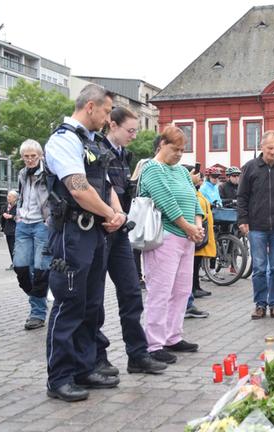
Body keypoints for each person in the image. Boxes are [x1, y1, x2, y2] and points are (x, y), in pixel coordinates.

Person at [44, 84, 124, 402]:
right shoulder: (64, 140)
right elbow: (78, 188)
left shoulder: (91, 142)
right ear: (90, 106)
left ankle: (84, 367)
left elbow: (105, 185)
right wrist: (110, 214)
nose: (108, 119)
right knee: (69, 304)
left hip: (95, 231)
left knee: (91, 305)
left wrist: (117, 213)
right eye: (106, 111)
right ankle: (59, 377)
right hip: (72, 233)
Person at [94, 107, 167, 376]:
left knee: (132, 292)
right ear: (112, 125)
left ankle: (137, 354)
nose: (134, 135)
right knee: (94, 299)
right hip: (101, 230)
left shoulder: (125, 155)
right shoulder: (97, 150)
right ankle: (97, 357)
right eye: (131, 130)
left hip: (121, 230)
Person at [138, 126, 204, 364]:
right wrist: (189, 227)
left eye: (182, 150)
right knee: (160, 291)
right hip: (164, 237)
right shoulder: (152, 168)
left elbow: (194, 199)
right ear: (162, 144)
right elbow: (166, 202)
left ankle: (172, 336)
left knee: (182, 290)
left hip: (187, 238)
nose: (179, 154)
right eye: (175, 149)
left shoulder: (182, 171)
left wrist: (197, 225)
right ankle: (154, 343)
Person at [237, 131, 274, 320]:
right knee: (259, 268)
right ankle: (260, 304)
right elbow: (242, 196)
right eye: (270, 148)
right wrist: (243, 220)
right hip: (256, 226)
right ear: (262, 146)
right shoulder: (250, 167)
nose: (273, 151)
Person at [12, 139, 52, 331]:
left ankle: (37, 313)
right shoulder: (22, 173)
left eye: (33, 156)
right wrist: (18, 215)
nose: (29, 160)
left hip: (42, 225)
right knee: (21, 268)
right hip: (23, 224)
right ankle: (38, 296)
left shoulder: (48, 173)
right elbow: (22, 195)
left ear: (40, 156)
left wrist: (49, 219)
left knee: (40, 270)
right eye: (26, 156)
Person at [187, 166, 212, 318]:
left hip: (196, 232)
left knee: (192, 266)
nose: (200, 179)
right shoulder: (190, 189)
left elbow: (198, 208)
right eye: (197, 176)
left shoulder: (196, 191)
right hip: (186, 233)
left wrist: (198, 225)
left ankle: (190, 298)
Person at [0, 190, 18, 270]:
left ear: (15, 198)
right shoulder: (6, 206)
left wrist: (11, 217)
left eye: (10, 197)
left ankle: (16, 263)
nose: (8, 198)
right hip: (7, 230)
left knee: (15, 248)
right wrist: (3, 215)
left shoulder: (18, 206)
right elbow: (2, 214)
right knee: (10, 248)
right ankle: (13, 263)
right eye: (8, 196)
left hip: (15, 230)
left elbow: (19, 217)